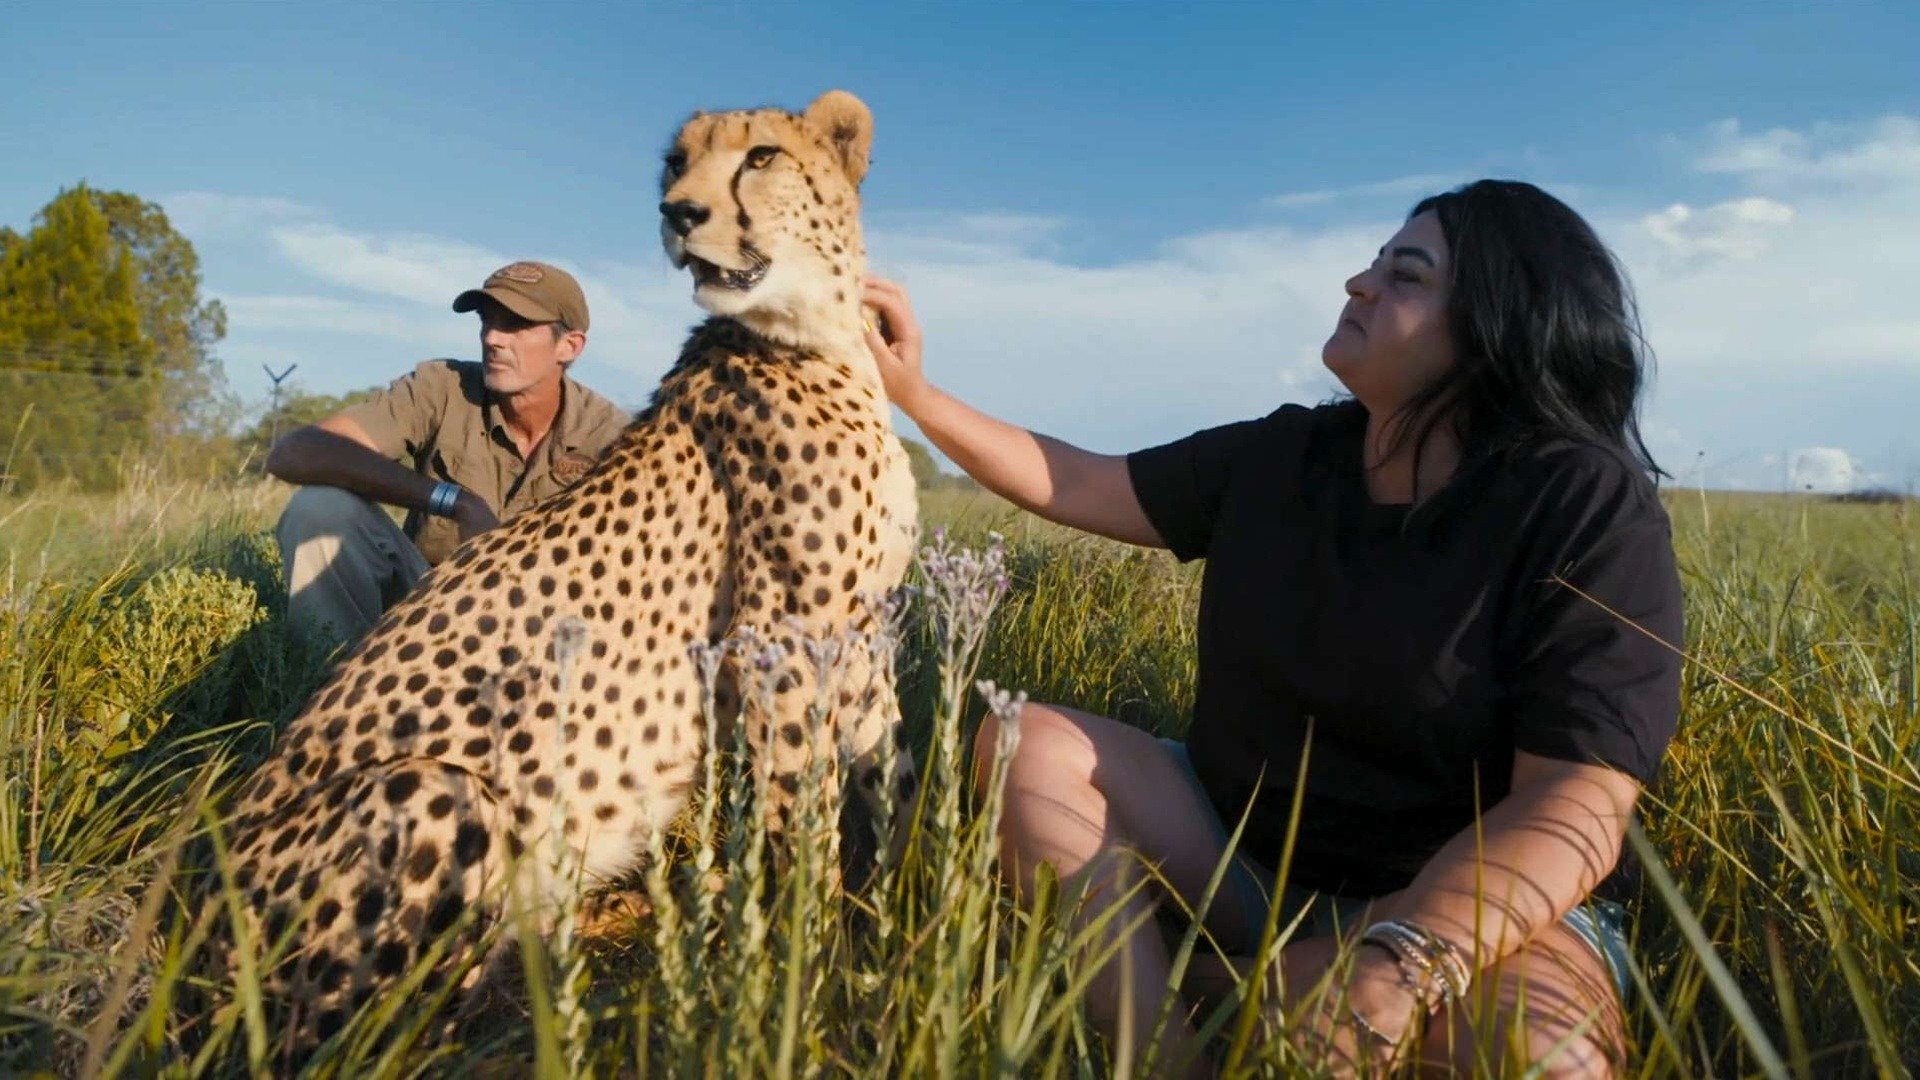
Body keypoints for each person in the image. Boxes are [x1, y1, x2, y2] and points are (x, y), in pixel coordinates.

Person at [861, 180, 1683, 1077]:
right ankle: (1171, 1056)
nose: (1356, 284)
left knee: (1546, 1059)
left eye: (1403, 273)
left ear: (1495, 325)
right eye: (1372, 263)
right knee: (1027, 743)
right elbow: (1079, 481)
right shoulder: (1287, 455)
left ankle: (1240, 982)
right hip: (1247, 864)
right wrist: (914, 393)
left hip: (1471, 907)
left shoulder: (1585, 503)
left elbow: (1579, 804)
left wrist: (1398, 964)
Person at [267, 260, 631, 649]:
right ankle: (330, 687)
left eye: (516, 325)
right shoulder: (442, 387)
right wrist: (452, 500)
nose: (493, 338)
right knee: (320, 508)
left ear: (569, 346)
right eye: (487, 321)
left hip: (545, 628)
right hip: (426, 607)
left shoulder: (615, 437)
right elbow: (296, 453)